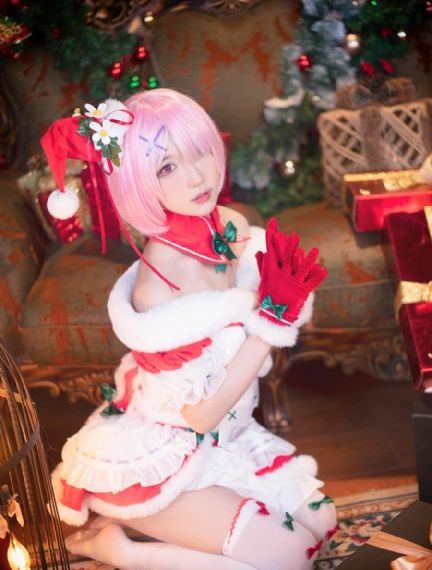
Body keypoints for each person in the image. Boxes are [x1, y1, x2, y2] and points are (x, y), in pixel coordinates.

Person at [42, 89, 337, 570]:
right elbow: (199, 416)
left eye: (199, 151)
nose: (197, 176)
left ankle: (202, 527)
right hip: (163, 454)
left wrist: (278, 306)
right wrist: (270, 324)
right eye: (166, 167)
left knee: (321, 526)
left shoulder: (230, 225)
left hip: (231, 437)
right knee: (291, 558)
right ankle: (121, 549)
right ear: (139, 183)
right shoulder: (155, 289)